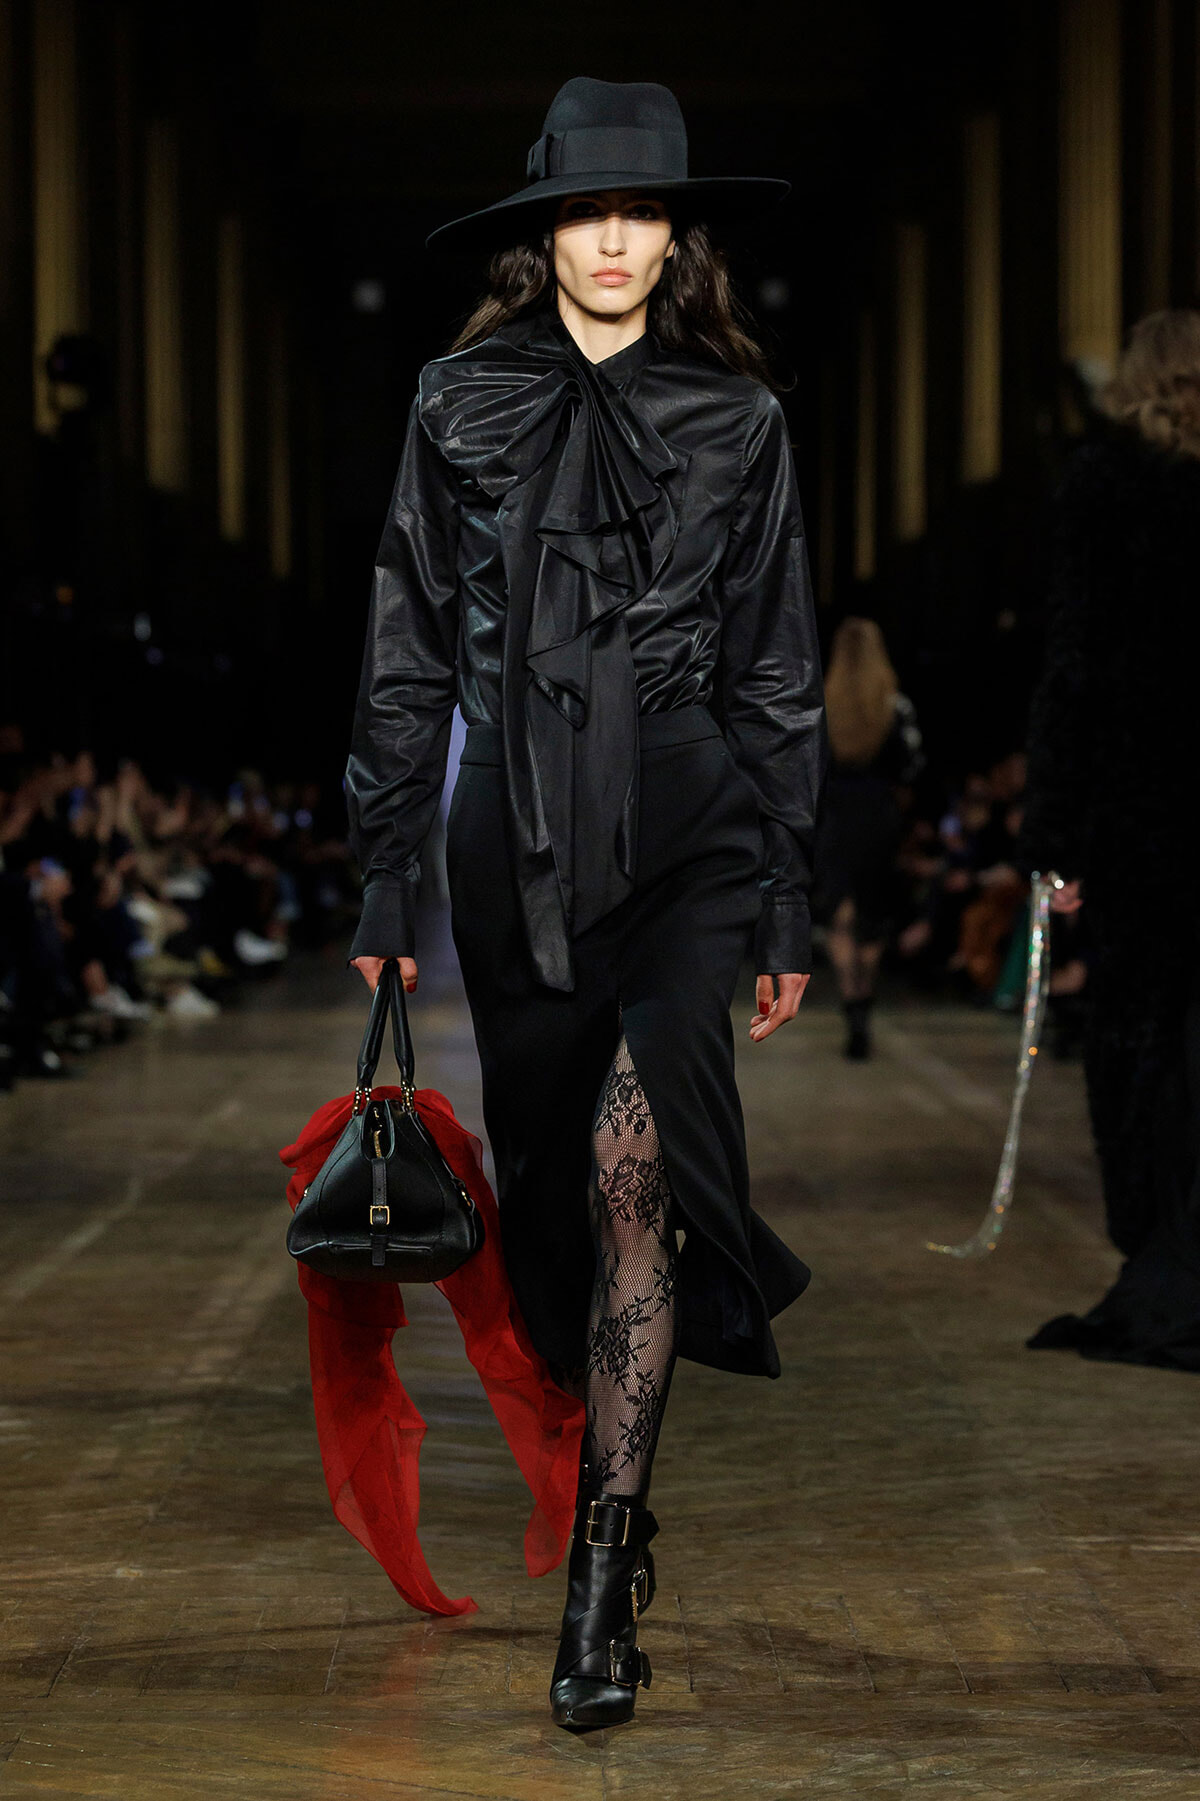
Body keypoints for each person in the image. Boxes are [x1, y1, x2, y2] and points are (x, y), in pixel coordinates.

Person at [344, 77, 827, 1731]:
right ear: (545, 229)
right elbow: (407, 644)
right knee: (558, 1191)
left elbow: (775, 670)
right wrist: (386, 860)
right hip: (515, 849)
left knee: (642, 1181)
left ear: (677, 232)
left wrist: (782, 895)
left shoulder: (738, 425)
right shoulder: (457, 403)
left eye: (642, 212)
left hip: (691, 841)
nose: (614, 239)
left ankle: (604, 1575)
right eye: (585, 211)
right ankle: (605, 1496)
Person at [1021, 309, 1200, 1370]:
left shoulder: (1104, 485)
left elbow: (1076, 663)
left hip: (1142, 812)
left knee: (1141, 1041)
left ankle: (1168, 1260)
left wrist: (1057, 832)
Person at [815, 618, 922, 1057]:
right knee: (871, 921)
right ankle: (864, 1008)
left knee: (840, 920)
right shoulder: (894, 706)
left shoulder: (822, 705)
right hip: (878, 817)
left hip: (835, 818)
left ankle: (852, 1012)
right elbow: (912, 767)